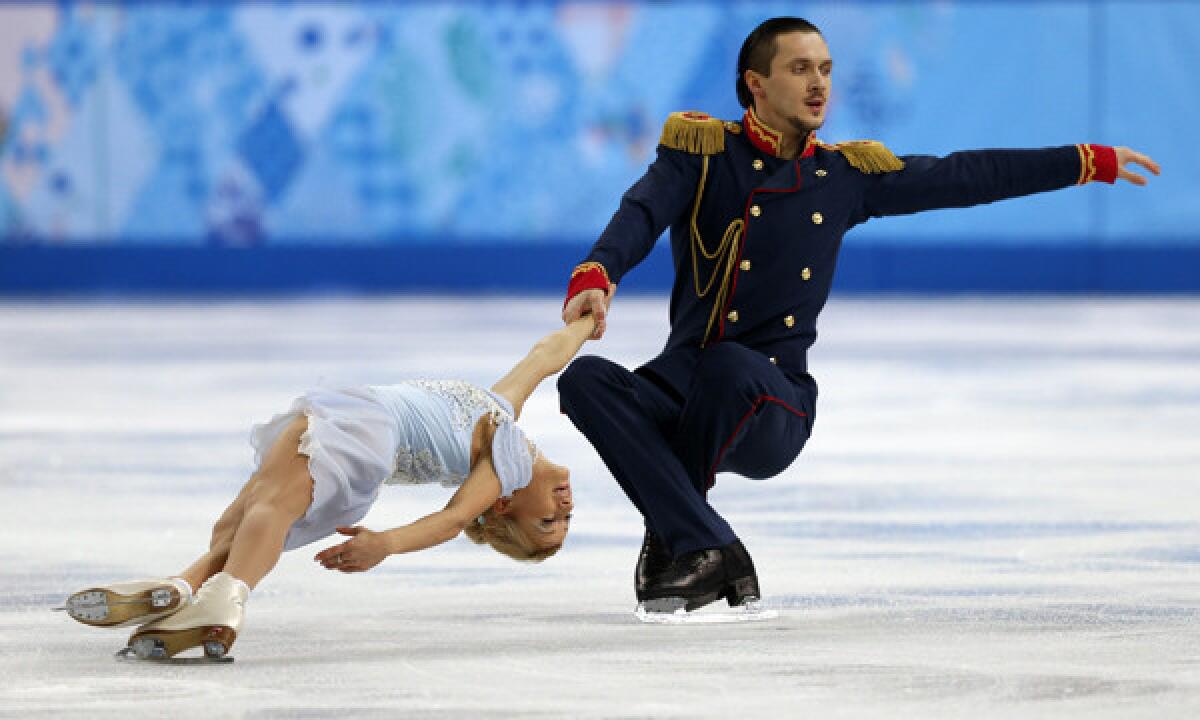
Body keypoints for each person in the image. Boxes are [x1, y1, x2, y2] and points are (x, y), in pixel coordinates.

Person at [556, 16, 1160, 615]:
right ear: (756, 84)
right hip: (686, 384)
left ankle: (678, 536)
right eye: (800, 69)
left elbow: (964, 175)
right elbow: (641, 211)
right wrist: (598, 271)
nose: (819, 84)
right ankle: (708, 543)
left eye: (825, 69)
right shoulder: (703, 155)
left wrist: (1084, 161)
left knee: (729, 367)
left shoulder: (842, 177)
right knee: (583, 381)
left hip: (771, 402)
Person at [61, 300, 611, 661]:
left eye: (547, 522)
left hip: (365, 431)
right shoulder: (503, 411)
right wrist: (586, 322)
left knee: (268, 509)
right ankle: (182, 589)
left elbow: (450, 520)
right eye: (566, 518)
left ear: (506, 508)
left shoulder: (504, 468)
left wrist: (386, 544)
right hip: (357, 421)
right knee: (236, 522)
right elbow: (546, 356)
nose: (563, 506)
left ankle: (224, 600)